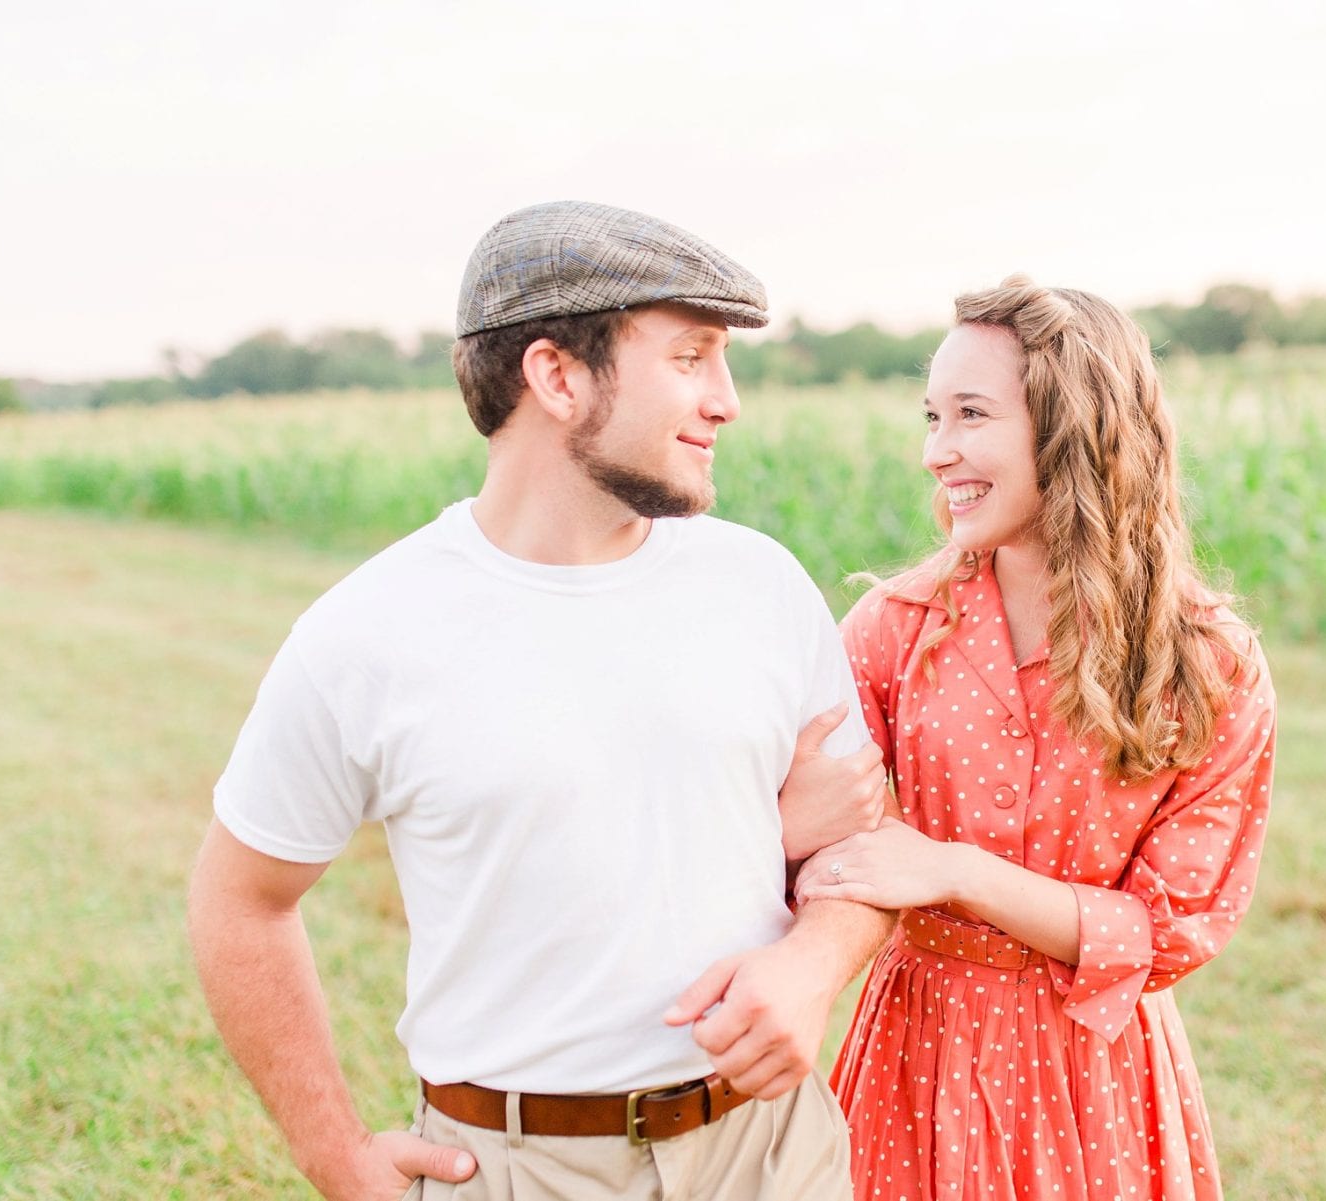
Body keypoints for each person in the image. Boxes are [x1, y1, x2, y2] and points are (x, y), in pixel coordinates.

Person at [187, 201, 895, 1201]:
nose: (727, 400)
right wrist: (335, 1153)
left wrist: (816, 961)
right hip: (523, 1170)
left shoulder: (763, 584)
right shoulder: (367, 635)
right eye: (691, 357)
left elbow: (865, 840)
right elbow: (241, 901)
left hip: (773, 1151)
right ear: (558, 376)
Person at [793, 276, 1280, 1201]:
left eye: (970, 414)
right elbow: (821, 842)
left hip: (1093, 1069)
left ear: (1074, 424)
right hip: (915, 1055)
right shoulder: (892, 628)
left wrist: (956, 870)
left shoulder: (1208, 664)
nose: (939, 451)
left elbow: (1168, 930)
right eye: (931, 417)